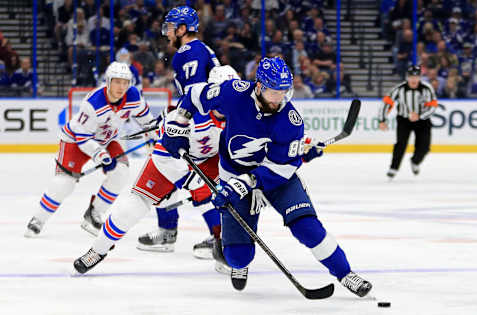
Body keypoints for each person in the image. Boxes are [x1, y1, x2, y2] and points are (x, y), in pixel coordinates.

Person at [160, 56, 373, 297]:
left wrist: (249, 181)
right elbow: (194, 95)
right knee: (238, 257)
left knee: (307, 227)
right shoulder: (234, 93)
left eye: (284, 91)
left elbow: (282, 167)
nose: (280, 98)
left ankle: (346, 273)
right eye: (274, 92)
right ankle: (234, 258)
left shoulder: (291, 120)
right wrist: (178, 125)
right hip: (233, 174)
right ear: (259, 86)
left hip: (275, 180)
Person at [72, 65, 239, 274]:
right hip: (170, 159)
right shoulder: (190, 114)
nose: (229, 100)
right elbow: (165, 152)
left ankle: (226, 247)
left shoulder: (242, 113)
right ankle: (98, 250)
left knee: (223, 198)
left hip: (209, 160)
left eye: (233, 92)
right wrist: (187, 179)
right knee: (133, 207)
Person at [24, 61, 156, 237]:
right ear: (108, 81)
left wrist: (154, 137)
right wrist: (101, 156)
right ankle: (38, 219)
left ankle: (94, 214)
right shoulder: (94, 102)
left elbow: (147, 122)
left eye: (125, 82)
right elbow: (83, 136)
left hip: (107, 139)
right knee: (64, 183)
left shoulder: (133, 96)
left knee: (121, 173)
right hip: (75, 140)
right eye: (117, 82)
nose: (121, 87)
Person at [136, 5, 223, 259]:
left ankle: (216, 236)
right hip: (205, 121)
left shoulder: (188, 50)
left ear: (183, 29)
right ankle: (174, 230)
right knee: (187, 174)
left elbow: (195, 95)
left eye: (172, 28)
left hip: (202, 124)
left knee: (186, 174)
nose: (168, 33)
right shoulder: (199, 50)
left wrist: (177, 121)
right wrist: (173, 116)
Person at [379, 65, 438, 179]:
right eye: (411, 76)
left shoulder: (427, 88)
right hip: (404, 120)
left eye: (416, 76)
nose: (413, 79)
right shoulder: (399, 89)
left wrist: (420, 116)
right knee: (401, 144)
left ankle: (415, 161)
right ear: (407, 77)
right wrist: (382, 120)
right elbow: (387, 103)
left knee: (424, 146)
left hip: (423, 121)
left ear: (420, 77)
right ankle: (394, 168)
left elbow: (433, 106)